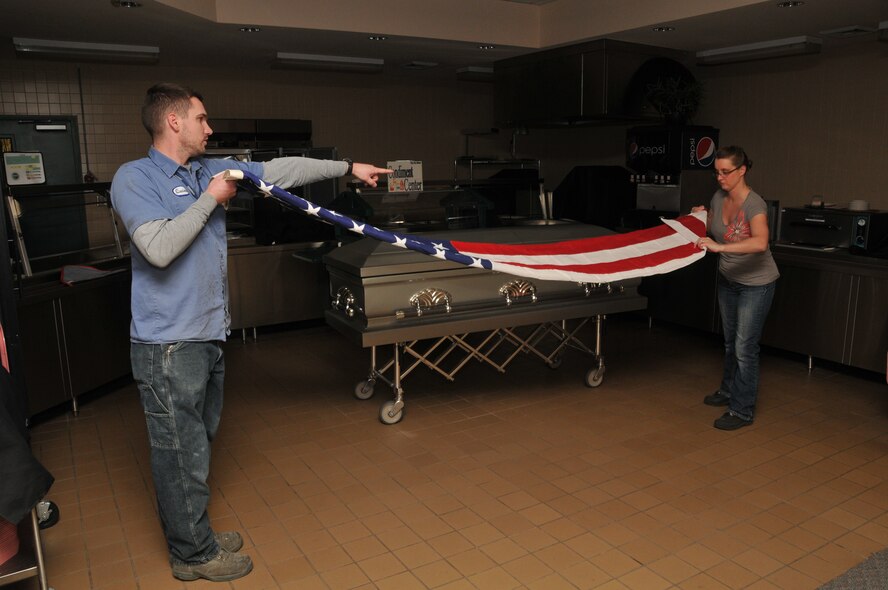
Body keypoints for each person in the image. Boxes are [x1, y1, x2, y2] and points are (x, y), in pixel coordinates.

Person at [110, 82, 390, 582]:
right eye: (201, 118)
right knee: (178, 451)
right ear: (173, 122)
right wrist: (211, 201)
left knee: (195, 445)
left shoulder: (209, 169)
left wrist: (348, 168)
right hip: (168, 344)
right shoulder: (134, 178)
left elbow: (285, 170)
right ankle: (191, 555)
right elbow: (156, 247)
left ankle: (192, 532)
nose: (209, 128)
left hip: (209, 335)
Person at [693, 146, 779, 431]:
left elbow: (760, 242)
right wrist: (699, 217)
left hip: (756, 284)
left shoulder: (754, 204)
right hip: (729, 281)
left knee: (745, 347)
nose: (720, 178)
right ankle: (728, 390)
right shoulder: (719, 197)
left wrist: (720, 246)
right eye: (717, 172)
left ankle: (742, 410)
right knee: (731, 342)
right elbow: (711, 226)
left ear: (742, 170)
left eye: (725, 172)